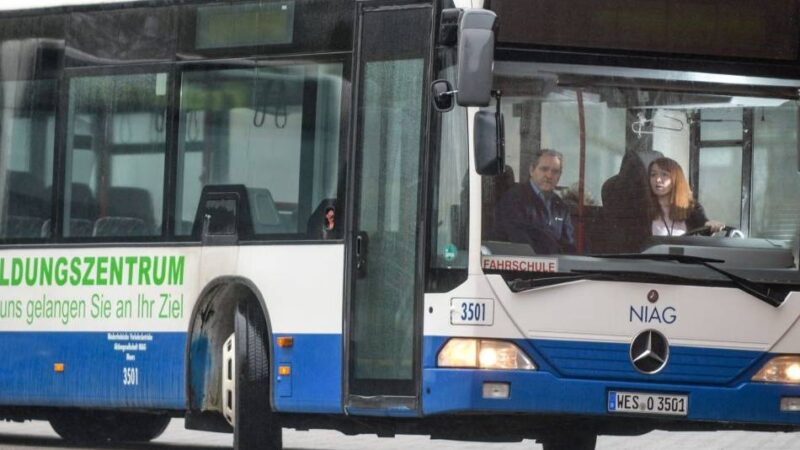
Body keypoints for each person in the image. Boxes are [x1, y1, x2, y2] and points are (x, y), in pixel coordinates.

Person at [494, 149, 575, 254]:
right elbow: (521, 244)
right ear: (532, 170)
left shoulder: (561, 207)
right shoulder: (514, 198)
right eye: (544, 169)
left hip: (557, 266)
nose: (549, 176)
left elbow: (569, 245)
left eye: (555, 171)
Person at [648, 157, 724, 236]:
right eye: (653, 175)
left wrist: (711, 226)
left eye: (664, 174)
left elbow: (703, 225)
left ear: (676, 179)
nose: (658, 180)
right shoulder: (643, 208)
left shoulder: (690, 207)